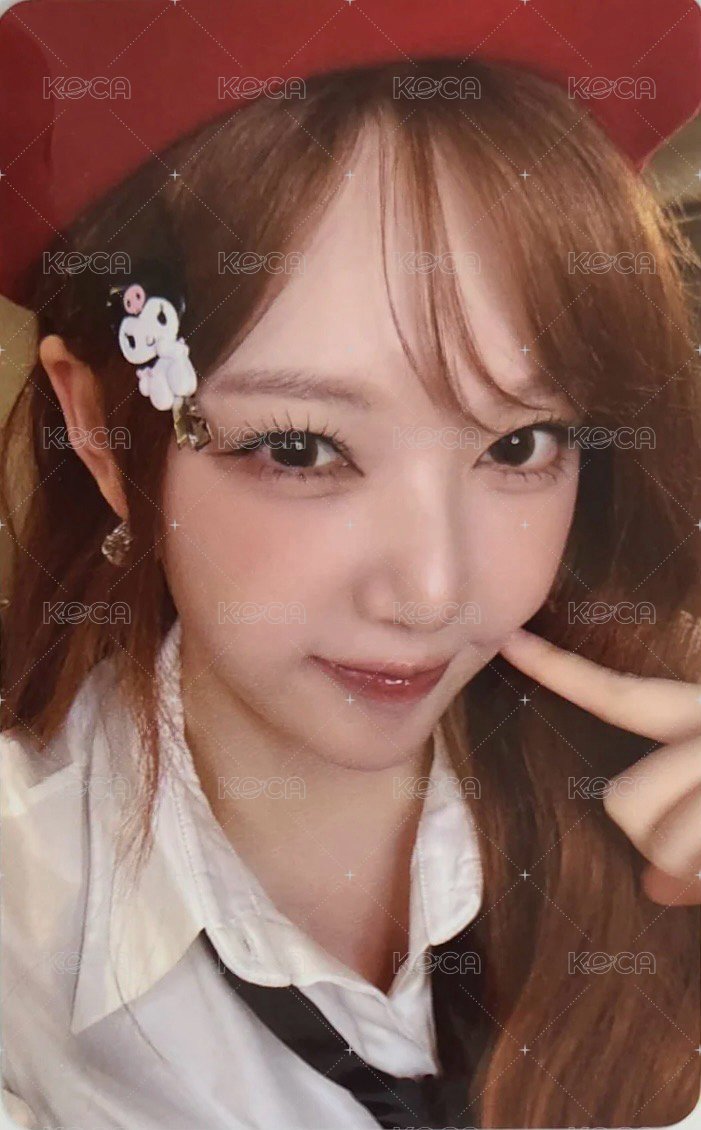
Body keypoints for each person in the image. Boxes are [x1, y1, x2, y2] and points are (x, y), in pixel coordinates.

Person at [1, 1, 701, 1126]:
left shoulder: (658, 778)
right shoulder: (24, 929)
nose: (432, 592)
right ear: (99, 435)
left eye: (518, 445)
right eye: (299, 449)